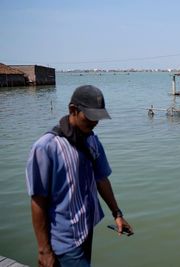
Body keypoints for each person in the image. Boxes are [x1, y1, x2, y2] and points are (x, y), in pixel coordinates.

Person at [26, 85, 133, 267]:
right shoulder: (46, 147)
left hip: (86, 230)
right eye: (90, 117)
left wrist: (117, 213)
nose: (95, 122)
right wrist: (43, 250)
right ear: (73, 110)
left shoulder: (92, 140)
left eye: (98, 117)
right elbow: (38, 201)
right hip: (63, 241)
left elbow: (101, 178)